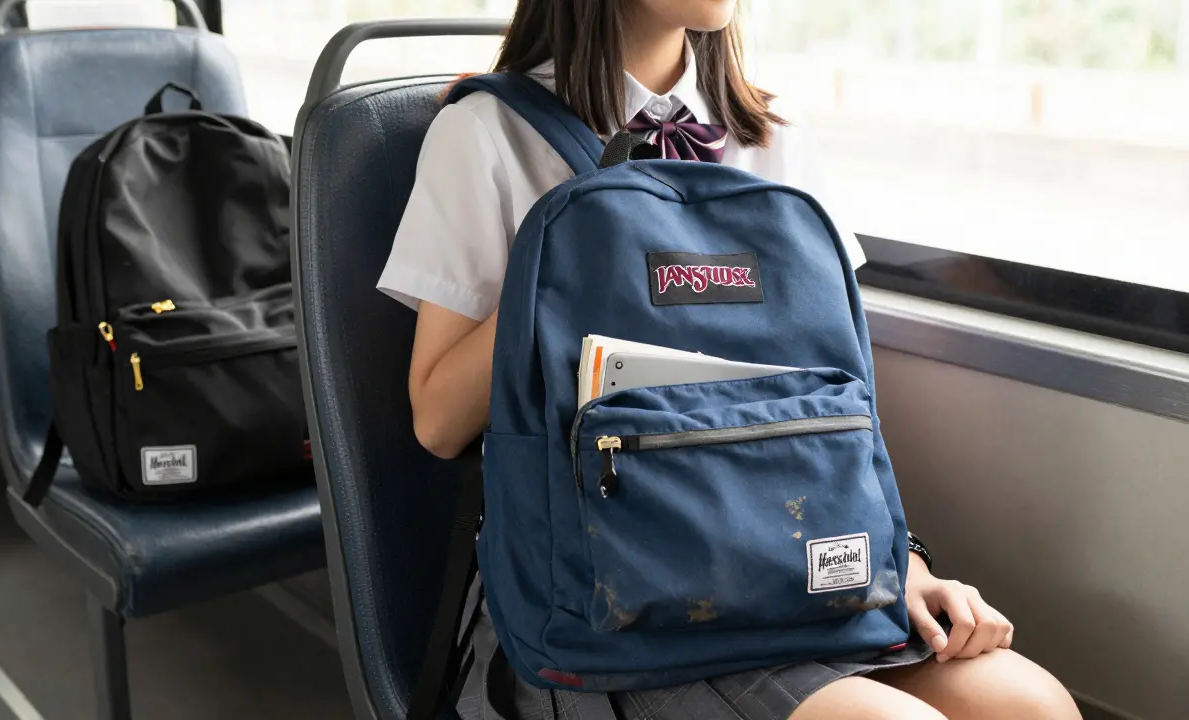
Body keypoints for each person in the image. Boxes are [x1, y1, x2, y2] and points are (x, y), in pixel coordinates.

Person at [377, 1, 1083, 718]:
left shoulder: (776, 138)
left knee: (1032, 704)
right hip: (604, 597)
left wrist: (903, 566)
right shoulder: (486, 134)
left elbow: (832, 408)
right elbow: (437, 420)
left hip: (791, 571)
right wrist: (586, 257)